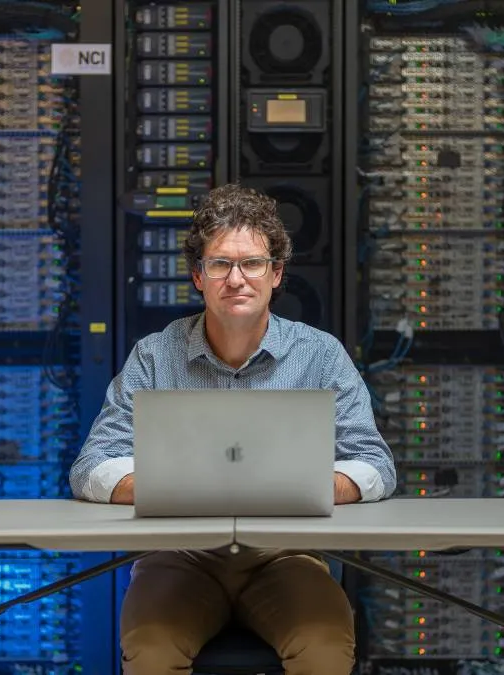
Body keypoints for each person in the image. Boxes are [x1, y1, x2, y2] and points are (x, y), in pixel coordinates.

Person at [69, 183, 397, 675]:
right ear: (198, 276)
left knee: (325, 645)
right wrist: (174, 488)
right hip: (179, 555)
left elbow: (375, 463)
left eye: (253, 263)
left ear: (276, 274)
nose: (236, 278)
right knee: (151, 648)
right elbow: (91, 467)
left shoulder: (321, 355)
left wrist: (310, 488)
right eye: (220, 263)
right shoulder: (156, 355)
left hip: (286, 555)